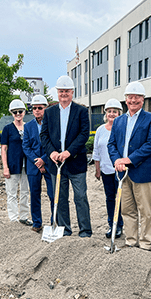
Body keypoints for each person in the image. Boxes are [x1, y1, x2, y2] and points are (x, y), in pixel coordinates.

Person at [108, 81, 151, 251]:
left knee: (145, 211)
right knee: (127, 210)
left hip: (142, 172)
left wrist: (128, 160)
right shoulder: (118, 121)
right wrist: (117, 160)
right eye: (130, 97)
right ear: (125, 99)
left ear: (143, 99)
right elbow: (112, 144)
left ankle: (145, 243)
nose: (133, 100)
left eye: (137, 97)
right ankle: (131, 241)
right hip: (123, 173)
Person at [40, 75, 92, 238]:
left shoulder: (81, 111)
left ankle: (85, 230)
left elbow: (84, 134)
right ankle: (64, 229)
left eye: (67, 91)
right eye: (61, 91)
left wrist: (69, 152)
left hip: (76, 162)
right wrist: (52, 152)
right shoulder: (49, 112)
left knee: (80, 197)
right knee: (60, 198)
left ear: (72, 92)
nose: (63, 94)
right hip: (56, 164)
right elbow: (44, 135)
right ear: (57, 92)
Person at [92, 98, 124, 239]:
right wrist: (97, 169)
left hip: (119, 170)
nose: (112, 114)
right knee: (110, 198)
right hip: (105, 170)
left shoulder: (122, 128)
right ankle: (112, 224)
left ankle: (121, 225)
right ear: (106, 113)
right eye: (109, 111)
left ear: (119, 113)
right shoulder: (100, 130)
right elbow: (96, 151)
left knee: (121, 198)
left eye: (115, 112)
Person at [22, 94, 54, 233]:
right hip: (33, 166)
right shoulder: (28, 126)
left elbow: (55, 145)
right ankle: (37, 222)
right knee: (35, 195)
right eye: (34, 108)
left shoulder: (53, 124)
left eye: (39, 108)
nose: (36, 110)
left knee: (53, 194)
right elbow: (26, 146)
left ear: (45, 108)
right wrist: (37, 161)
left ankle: (55, 221)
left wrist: (44, 160)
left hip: (50, 164)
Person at [1, 99, 31, 225]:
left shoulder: (29, 127)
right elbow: (4, 149)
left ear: (24, 112)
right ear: (11, 113)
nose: (18, 114)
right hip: (13, 165)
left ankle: (24, 217)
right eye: (15, 112)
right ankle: (13, 218)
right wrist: (5, 167)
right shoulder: (7, 129)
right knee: (12, 193)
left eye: (20, 111)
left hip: (27, 166)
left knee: (25, 192)